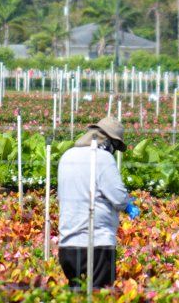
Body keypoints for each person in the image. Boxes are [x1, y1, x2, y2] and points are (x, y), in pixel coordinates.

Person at [57, 117, 140, 289]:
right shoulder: (102, 158)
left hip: (67, 245)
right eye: (116, 147)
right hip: (97, 245)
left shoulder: (67, 155)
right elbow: (117, 195)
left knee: (76, 294)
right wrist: (128, 205)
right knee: (100, 294)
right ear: (110, 142)